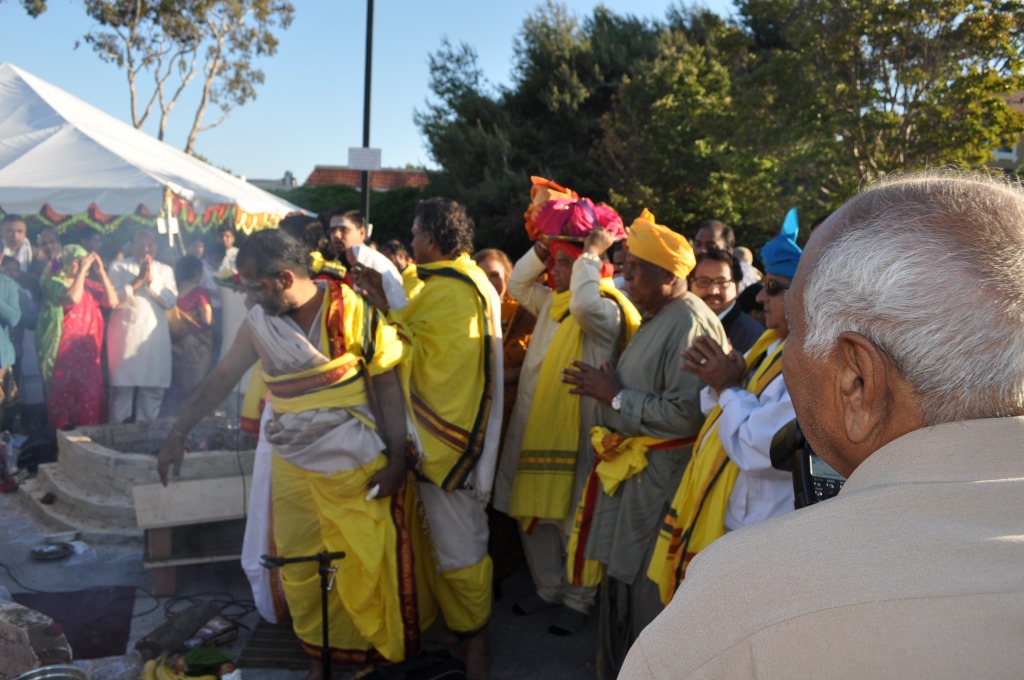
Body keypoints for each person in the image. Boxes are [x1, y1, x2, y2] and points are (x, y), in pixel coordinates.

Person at [620, 172, 1024, 679]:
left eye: (795, 325)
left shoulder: (743, 596)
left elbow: (756, 443)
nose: (764, 307)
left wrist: (727, 389)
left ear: (857, 381)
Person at [157, 229, 434, 673]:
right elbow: (222, 377)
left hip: (355, 462)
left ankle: (370, 655)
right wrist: (178, 432)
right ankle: (317, 659)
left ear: (285, 278)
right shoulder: (259, 323)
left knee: (363, 562)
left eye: (256, 287)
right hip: (291, 462)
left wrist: (398, 461)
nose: (249, 297)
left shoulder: (353, 310)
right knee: (299, 565)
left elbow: (387, 383)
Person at [561, 209, 727, 679]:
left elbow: (686, 415)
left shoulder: (688, 322)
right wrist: (614, 385)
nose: (625, 278)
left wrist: (615, 395)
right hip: (638, 479)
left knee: (646, 597)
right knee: (621, 590)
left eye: (635, 270)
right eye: (626, 267)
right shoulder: (661, 316)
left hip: (661, 484)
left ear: (670, 276)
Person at [353, 197, 503, 680]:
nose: (412, 240)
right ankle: (448, 630)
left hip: (448, 442)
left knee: (460, 548)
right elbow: (413, 335)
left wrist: (384, 313)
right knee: (433, 544)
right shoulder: (438, 283)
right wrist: (384, 304)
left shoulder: (458, 289)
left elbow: (441, 365)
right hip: (425, 438)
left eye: (416, 233)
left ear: (432, 238)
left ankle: (477, 642)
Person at [492, 201, 640, 637]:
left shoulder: (605, 309)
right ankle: (548, 588)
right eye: (552, 262)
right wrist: (544, 245)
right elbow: (518, 283)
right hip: (533, 429)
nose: (552, 271)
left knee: (574, 518)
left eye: (561, 263)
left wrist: (590, 254)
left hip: (578, 435)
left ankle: (578, 600)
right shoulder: (552, 304)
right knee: (532, 513)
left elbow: (584, 305)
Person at [647, 209, 800, 606]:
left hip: (760, 529)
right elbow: (716, 412)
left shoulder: (808, 362)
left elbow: (759, 447)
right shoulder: (772, 344)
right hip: (738, 518)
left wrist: (727, 386)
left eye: (772, 287)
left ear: (805, 294)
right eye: (763, 285)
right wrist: (720, 381)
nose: (760, 296)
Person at [37, 246, 118, 430]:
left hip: (88, 355)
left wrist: (101, 273)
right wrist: (81, 272)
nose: (81, 263)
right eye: (76, 260)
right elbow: (73, 297)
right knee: (63, 398)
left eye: (83, 260)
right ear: (65, 260)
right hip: (64, 354)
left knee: (89, 399)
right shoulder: (53, 282)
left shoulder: (90, 285)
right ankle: (62, 442)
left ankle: (89, 441)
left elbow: (112, 301)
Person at [106, 230, 177, 422]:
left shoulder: (165, 270)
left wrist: (151, 282)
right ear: (132, 246)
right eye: (141, 244)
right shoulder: (118, 267)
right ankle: (118, 434)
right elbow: (113, 301)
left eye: (150, 244)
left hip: (154, 340)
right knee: (121, 392)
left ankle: (146, 434)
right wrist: (137, 281)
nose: (146, 249)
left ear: (156, 246)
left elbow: (170, 302)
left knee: (152, 391)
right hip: (125, 338)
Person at [689, 247, 764, 354]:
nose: (712, 291)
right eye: (704, 281)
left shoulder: (754, 337)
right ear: (691, 283)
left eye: (721, 282)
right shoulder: (681, 322)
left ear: (737, 286)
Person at [165, 255, 214, 416]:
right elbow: (207, 319)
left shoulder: (173, 292)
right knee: (194, 387)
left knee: (176, 388)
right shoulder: (200, 292)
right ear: (197, 273)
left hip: (174, 344)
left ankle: (171, 419)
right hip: (196, 346)